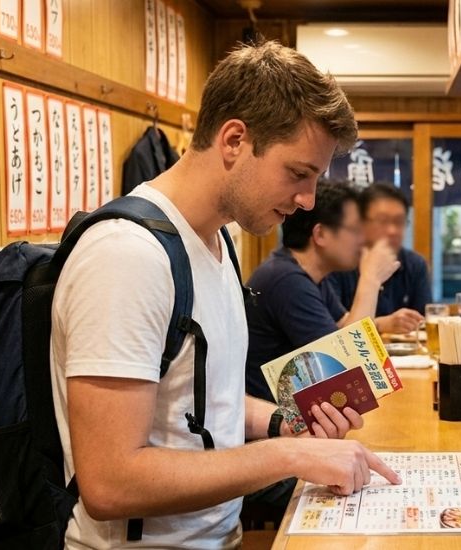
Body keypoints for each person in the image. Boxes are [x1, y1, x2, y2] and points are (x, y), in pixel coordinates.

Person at [50, 42, 400, 549]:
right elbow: (110, 481)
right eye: (298, 173)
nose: (306, 201)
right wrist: (288, 457)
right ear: (234, 139)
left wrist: (284, 423)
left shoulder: (220, 242)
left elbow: (198, 396)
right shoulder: (128, 255)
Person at [245, 179, 400, 402]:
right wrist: (371, 280)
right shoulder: (286, 281)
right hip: (274, 425)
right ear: (320, 235)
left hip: (301, 417)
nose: (364, 240)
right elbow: (346, 369)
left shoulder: (310, 275)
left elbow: (343, 330)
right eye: (356, 230)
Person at [328, 183, 430, 334]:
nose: (393, 230)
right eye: (382, 221)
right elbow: (334, 329)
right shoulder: (339, 264)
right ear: (360, 222)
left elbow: (423, 322)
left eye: (399, 221)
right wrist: (382, 324)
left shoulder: (415, 264)